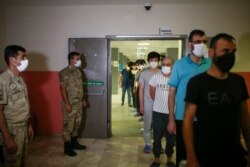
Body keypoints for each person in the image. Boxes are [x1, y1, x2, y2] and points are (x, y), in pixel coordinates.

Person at [183, 33, 250, 167]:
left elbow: (245, 119)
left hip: (235, 153)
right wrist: (191, 156)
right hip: (205, 153)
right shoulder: (197, 83)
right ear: (212, 52)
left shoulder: (238, 81)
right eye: (225, 51)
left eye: (233, 52)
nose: (230, 55)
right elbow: (188, 121)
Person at [167, 29, 211, 165]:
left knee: (203, 155)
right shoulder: (180, 65)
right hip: (183, 117)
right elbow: (172, 92)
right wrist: (171, 119)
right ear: (189, 44)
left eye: (204, 42)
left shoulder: (210, 64)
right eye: (197, 42)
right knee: (184, 155)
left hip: (205, 118)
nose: (201, 45)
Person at [0, 45, 34, 166]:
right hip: (11, 131)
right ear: (12, 60)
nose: (26, 60)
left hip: (23, 128)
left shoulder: (19, 79)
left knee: (22, 162)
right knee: (12, 163)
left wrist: (28, 124)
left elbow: (24, 104)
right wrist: (7, 138)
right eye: (23, 57)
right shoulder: (3, 81)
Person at [59, 52, 87, 157]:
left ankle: (75, 143)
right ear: (71, 60)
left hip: (78, 103)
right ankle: (67, 147)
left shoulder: (78, 72)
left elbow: (80, 87)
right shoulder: (64, 72)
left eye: (79, 59)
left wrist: (83, 99)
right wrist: (67, 104)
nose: (80, 60)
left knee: (77, 124)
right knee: (68, 126)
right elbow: (62, 89)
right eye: (77, 59)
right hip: (70, 103)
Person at [149, 56, 176, 167]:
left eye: (168, 64)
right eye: (164, 64)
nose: (166, 67)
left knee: (171, 138)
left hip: (172, 114)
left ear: (172, 66)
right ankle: (156, 159)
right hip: (158, 113)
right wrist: (160, 103)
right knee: (157, 137)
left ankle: (169, 159)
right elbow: (152, 93)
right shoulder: (155, 77)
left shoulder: (176, 78)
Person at [139, 52, 160, 153]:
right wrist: (141, 105)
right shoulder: (144, 73)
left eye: (155, 60)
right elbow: (141, 90)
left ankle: (157, 144)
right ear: (148, 61)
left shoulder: (162, 72)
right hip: (148, 102)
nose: (153, 62)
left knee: (158, 125)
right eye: (151, 60)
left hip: (160, 103)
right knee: (147, 124)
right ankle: (148, 143)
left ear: (158, 61)